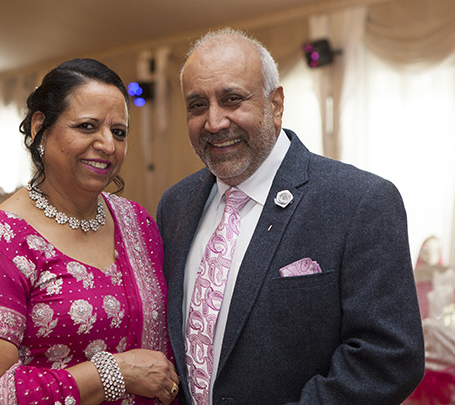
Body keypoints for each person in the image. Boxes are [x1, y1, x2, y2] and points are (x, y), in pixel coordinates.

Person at [157, 28, 425, 404]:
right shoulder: (175, 205)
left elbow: (389, 358)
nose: (214, 122)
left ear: (276, 104)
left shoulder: (359, 201)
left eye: (232, 99)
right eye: (197, 105)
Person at [0, 59, 180, 405]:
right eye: (87, 126)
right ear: (41, 128)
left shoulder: (137, 223)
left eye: (118, 132)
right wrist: (115, 372)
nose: (107, 145)